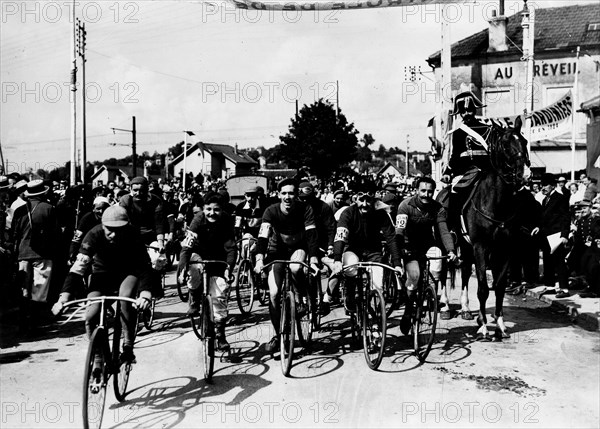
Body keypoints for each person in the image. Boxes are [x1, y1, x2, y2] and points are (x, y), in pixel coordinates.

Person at [53, 205, 153, 365]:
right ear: (102, 225)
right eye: (109, 229)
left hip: (128, 272)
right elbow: (78, 269)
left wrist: (145, 293)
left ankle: (128, 345)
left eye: (119, 229)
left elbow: (144, 266)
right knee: (91, 316)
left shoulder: (133, 234)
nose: (114, 234)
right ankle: (99, 357)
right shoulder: (93, 235)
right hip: (101, 274)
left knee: (126, 299)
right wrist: (63, 298)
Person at [253, 178, 319, 353]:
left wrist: (313, 259)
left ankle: (300, 298)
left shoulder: (305, 209)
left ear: (296, 194)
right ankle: (278, 335)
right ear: (278, 194)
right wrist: (259, 259)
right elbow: (262, 237)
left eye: (291, 193)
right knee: (274, 294)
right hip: (277, 250)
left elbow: (312, 235)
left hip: (298, 247)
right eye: (284, 193)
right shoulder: (271, 211)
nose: (288, 197)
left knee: (296, 268)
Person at [395, 176, 457, 334]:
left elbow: (443, 230)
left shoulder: (438, 208)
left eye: (430, 192)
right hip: (409, 245)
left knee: (437, 266)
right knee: (414, 277)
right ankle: (408, 308)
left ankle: (427, 293)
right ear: (416, 190)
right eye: (423, 191)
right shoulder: (405, 205)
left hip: (428, 244)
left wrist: (450, 250)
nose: (426, 195)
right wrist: (401, 249)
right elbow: (399, 232)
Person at [330, 189, 403, 315]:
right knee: (350, 269)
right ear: (354, 200)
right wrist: (337, 259)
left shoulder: (381, 214)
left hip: (373, 251)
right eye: (361, 200)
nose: (364, 204)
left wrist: (397, 263)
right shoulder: (348, 213)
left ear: (374, 202)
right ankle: (350, 295)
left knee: (378, 285)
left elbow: (391, 237)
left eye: (368, 201)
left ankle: (371, 307)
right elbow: (341, 236)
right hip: (353, 249)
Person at [178, 194, 237, 351]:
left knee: (220, 294)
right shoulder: (197, 220)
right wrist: (182, 268)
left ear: (222, 210)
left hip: (219, 258)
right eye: (208, 209)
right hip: (199, 254)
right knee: (192, 265)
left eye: (216, 210)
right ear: (203, 210)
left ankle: (221, 334)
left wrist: (229, 267)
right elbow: (187, 247)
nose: (212, 213)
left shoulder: (226, 220)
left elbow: (231, 248)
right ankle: (195, 297)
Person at [11, 180, 59, 328]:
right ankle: (35, 323)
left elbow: (14, 233)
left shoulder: (19, 210)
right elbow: (56, 234)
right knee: (39, 290)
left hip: (23, 254)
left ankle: (23, 322)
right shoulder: (49, 208)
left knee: (24, 289)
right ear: (43, 193)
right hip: (43, 254)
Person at [441, 91, 491, 190]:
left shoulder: (487, 129)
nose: (466, 114)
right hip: (464, 171)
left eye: (469, 110)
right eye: (463, 112)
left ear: (474, 110)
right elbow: (455, 156)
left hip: (487, 170)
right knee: (455, 192)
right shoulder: (458, 133)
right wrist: (447, 172)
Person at [532, 173, 570, 298]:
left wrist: (565, 235)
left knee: (559, 261)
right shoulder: (544, 200)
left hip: (557, 236)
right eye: (542, 185)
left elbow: (566, 217)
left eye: (546, 185)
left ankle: (564, 289)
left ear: (553, 186)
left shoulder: (560, 198)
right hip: (546, 236)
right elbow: (544, 218)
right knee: (548, 261)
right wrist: (538, 227)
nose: (543, 187)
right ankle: (550, 286)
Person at [68, 196, 110, 262]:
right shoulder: (87, 218)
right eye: (98, 209)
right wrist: (72, 253)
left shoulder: (110, 218)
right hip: (87, 248)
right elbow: (77, 238)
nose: (101, 211)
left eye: (104, 208)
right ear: (93, 209)